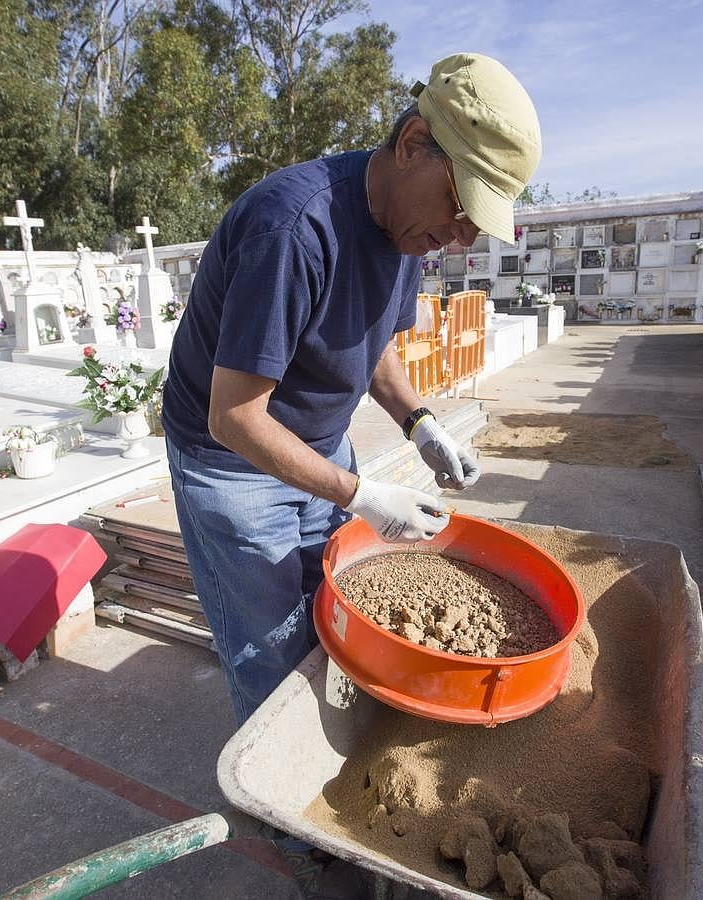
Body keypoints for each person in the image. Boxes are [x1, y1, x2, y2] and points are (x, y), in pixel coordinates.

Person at [162, 52, 542, 728]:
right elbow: (234, 419)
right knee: (271, 653)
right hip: (236, 469)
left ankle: (324, 743)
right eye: (460, 209)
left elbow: (374, 347)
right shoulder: (295, 229)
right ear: (412, 145)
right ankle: (281, 820)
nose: (457, 241)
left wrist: (420, 423)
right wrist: (363, 495)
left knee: (335, 612)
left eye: (473, 226)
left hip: (322, 448)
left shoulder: (405, 233)